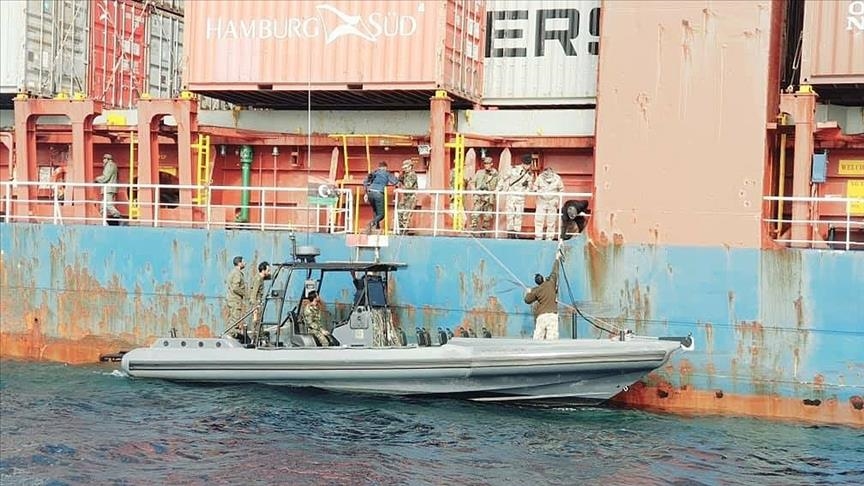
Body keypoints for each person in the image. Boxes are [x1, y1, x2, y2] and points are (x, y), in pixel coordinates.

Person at [524, 251, 561, 340]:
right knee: (552, 339)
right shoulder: (551, 283)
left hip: (542, 316)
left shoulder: (536, 290)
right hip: (552, 315)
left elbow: (527, 300)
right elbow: (554, 271)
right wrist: (557, 258)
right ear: (543, 279)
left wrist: (527, 292)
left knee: (538, 338)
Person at [496, 154, 534, 238]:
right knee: (510, 214)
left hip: (520, 196)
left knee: (518, 214)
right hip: (511, 195)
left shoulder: (529, 174)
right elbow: (503, 178)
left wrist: (526, 192)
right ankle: (510, 232)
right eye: (526, 164)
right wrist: (498, 188)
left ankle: (517, 232)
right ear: (523, 163)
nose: (527, 166)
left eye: (529, 164)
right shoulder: (513, 169)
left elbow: (530, 186)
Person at [363, 161, 399, 233]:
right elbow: (394, 182)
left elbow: (365, 182)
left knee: (375, 211)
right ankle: (371, 224)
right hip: (378, 194)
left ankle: (376, 227)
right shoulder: (386, 173)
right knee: (381, 215)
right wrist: (397, 177)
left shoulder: (374, 173)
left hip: (370, 193)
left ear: (379, 167)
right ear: (385, 167)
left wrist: (366, 194)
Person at [532, 166, 565, 240]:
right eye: (546, 172)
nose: (547, 173)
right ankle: (538, 237)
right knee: (539, 220)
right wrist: (537, 192)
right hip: (541, 201)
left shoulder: (557, 178)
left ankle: (549, 237)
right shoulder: (540, 177)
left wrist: (557, 200)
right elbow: (535, 187)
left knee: (551, 221)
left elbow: (561, 190)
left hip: (552, 201)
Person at [469, 156, 499, 233]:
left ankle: (484, 231)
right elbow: (472, 182)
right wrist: (475, 191)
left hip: (489, 196)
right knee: (475, 213)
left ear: (491, 164)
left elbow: (500, 184)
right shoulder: (479, 172)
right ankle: (473, 230)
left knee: (488, 215)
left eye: (488, 163)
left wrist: (495, 191)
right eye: (485, 163)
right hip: (479, 195)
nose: (486, 165)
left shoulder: (495, 174)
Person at [225, 255, 248, 338]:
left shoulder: (233, 272)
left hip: (232, 299)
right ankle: (230, 336)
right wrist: (245, 294)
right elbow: (235, 287)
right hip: (235, 300)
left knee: (232, 318)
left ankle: (230, 335)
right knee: (235, 319)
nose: (245, 263)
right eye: (243, 261)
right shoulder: (237, 273)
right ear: (239, 263)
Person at [94, 154, 122, 219]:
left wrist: (96, 179)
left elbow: (106, 177)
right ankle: (102, 220)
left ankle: (118, 216)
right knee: (102, 206)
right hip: (110, 188)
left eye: (104, 159)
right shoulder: (113, 165)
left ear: (107, 159)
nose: (103, 161)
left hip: (108, 188)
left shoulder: (109, 165)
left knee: (108, 204)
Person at [248, 261, 271, 332]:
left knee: (260, 320)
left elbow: (269, 277)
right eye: (268, 270)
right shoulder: (258, 279)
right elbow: (254, 293)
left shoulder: (261, 278)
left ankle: (259, 334)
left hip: (259, 302)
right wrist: (255, 307)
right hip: (256, 303)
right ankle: (255, 335)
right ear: (263, 270)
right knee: (257, 320)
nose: (269, 272)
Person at [397, 159, 418, 234]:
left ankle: (404, 232)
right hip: (405, 197)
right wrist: (399, 177)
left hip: (411, 198)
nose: (405, 169)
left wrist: (401, 187)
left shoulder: (412, 175)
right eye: (404, 168)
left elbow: (408, 186)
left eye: (406, 167)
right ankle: (401, 230)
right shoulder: (405, 175)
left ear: (410, 167)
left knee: (406, 215)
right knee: (400, 213)